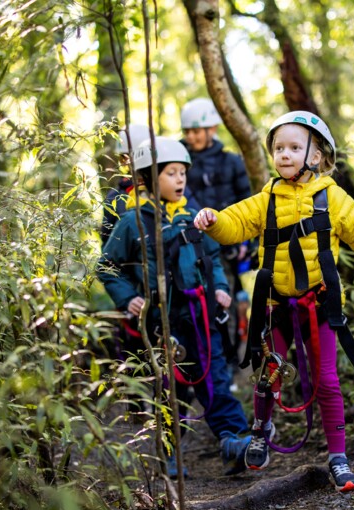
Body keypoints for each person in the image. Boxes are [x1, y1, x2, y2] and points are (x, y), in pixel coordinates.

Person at [193, 111, 354, 492]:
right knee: (267, 375)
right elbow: (235, 224)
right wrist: (213, 221)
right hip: (275, 306)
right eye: (279, 148)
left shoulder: (334, 198)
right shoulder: (267, 198)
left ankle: (339, 458)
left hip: (319, 306)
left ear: (317, 156)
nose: (284, 155)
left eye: (294, 147)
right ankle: (260, 431)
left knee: (327, 380)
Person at [96, 136, 252, 478]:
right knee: (170, 390)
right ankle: (166, 455)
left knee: (214, 378)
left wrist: (222, 288)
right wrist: (127, 297)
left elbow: (211, 257)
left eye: (182, 173)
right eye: (171, 173)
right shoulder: (132, 222)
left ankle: (236, 440)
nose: (180, 179)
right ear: (149, 178)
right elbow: (106, 265)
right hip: (162, 321)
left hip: (201, 315)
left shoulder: (192, 217)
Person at [180, 98, 255, 358]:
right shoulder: (178, 160)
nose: (191, 136)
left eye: (196, 131)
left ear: (211, 129)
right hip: (187, 243)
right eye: (187, 131)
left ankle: (229, 356)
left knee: (226, 298)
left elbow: (247, 202)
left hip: (226, 245)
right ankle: (197, 359)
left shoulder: (231, 163)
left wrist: (249, 243)